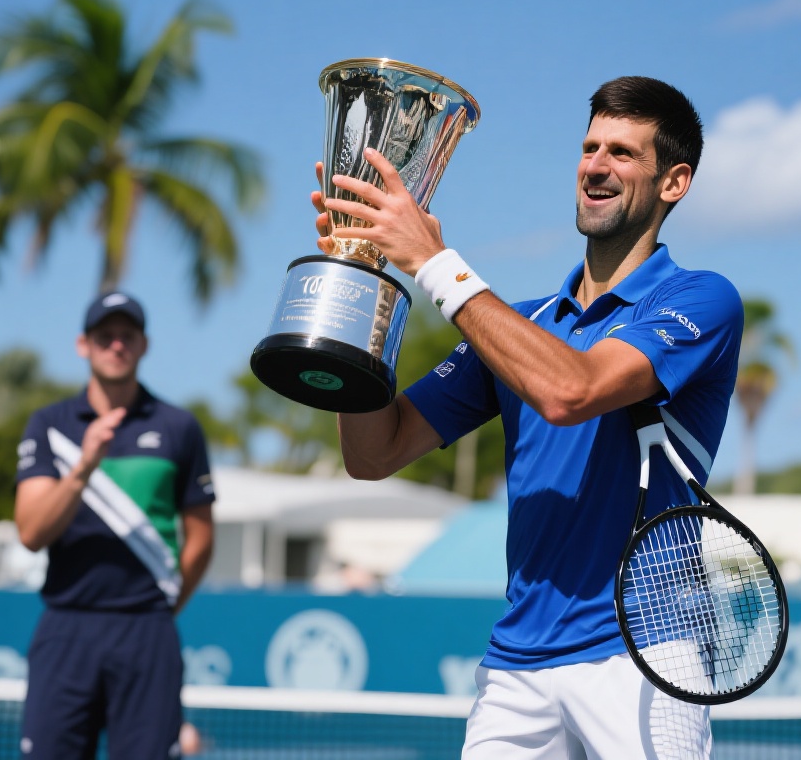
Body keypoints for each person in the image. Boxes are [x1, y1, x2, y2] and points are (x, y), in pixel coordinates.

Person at [312, 76, 743, 758]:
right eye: (590, 147)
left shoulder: (701, 300)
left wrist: (432, 261)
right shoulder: (523, 325)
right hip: (517, 664)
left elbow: (571, 391)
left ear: (674, 182)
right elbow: (374, 453)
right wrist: (363, 279)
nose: (597, 166)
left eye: (624, 154)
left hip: (643, 653)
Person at [14, 290, 216, 759]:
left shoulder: (178, 426)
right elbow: (31, 533)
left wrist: (161, 605)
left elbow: (202, 538)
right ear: (83, 345)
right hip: (66, 625)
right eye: (105, 337)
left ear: (143, 345)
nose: (117, 345)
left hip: (147, 630)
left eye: (128, 336)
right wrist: (83, 467)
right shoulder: (48, 424)